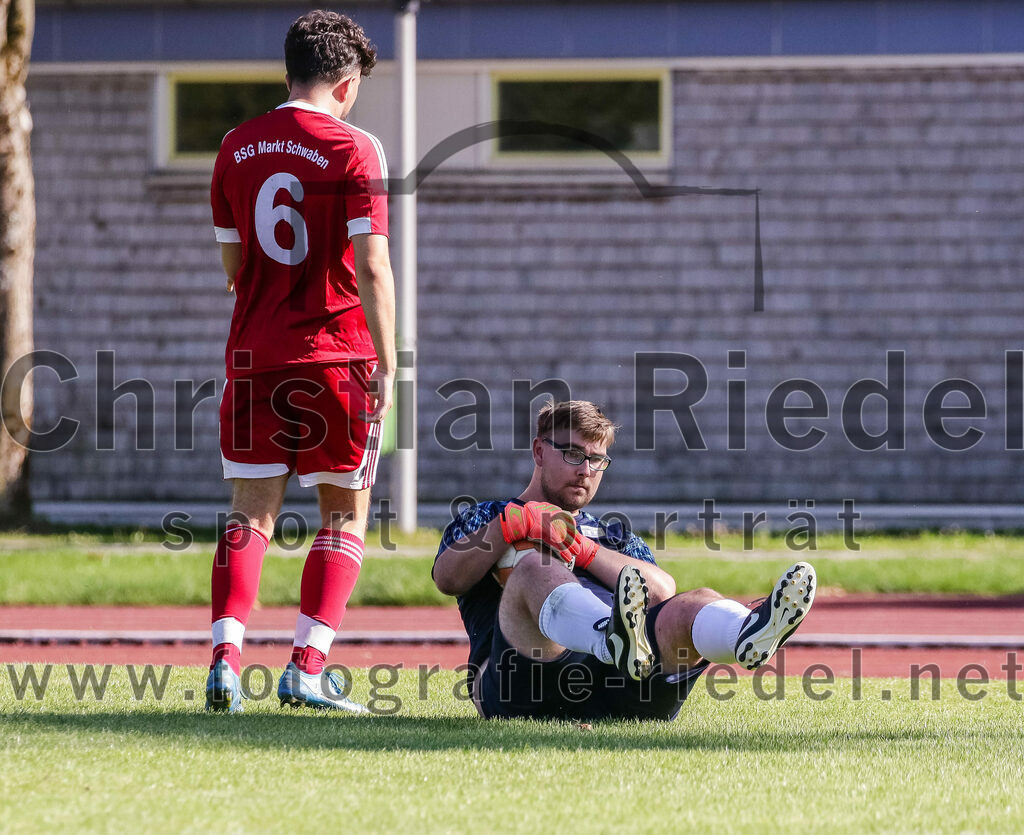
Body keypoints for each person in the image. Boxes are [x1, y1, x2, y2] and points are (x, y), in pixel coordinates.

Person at [205, 10, 395, 713]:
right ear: (346, 84)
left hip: (254, 352)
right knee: (343, 514)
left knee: (248, 512)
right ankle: (306, 666)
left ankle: (225, 658)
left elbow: (232, 264)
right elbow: (373, 265)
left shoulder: (234, 145)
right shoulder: (356, 145)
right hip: (336, 353)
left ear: (288, 73)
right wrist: (392, 360)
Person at [433, 400, 816, 721]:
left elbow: (661, 590)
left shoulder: (612, 534)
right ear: (538, 451)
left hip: (617, 686)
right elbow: (447, 578)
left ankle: (744, 633)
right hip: (523, 687)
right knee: (537, 567)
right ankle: (608, 636)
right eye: (572, 454)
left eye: (596, 460)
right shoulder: (489, 516)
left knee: (695, 601)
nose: (585, 470)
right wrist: (510, 526)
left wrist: (584, 549)